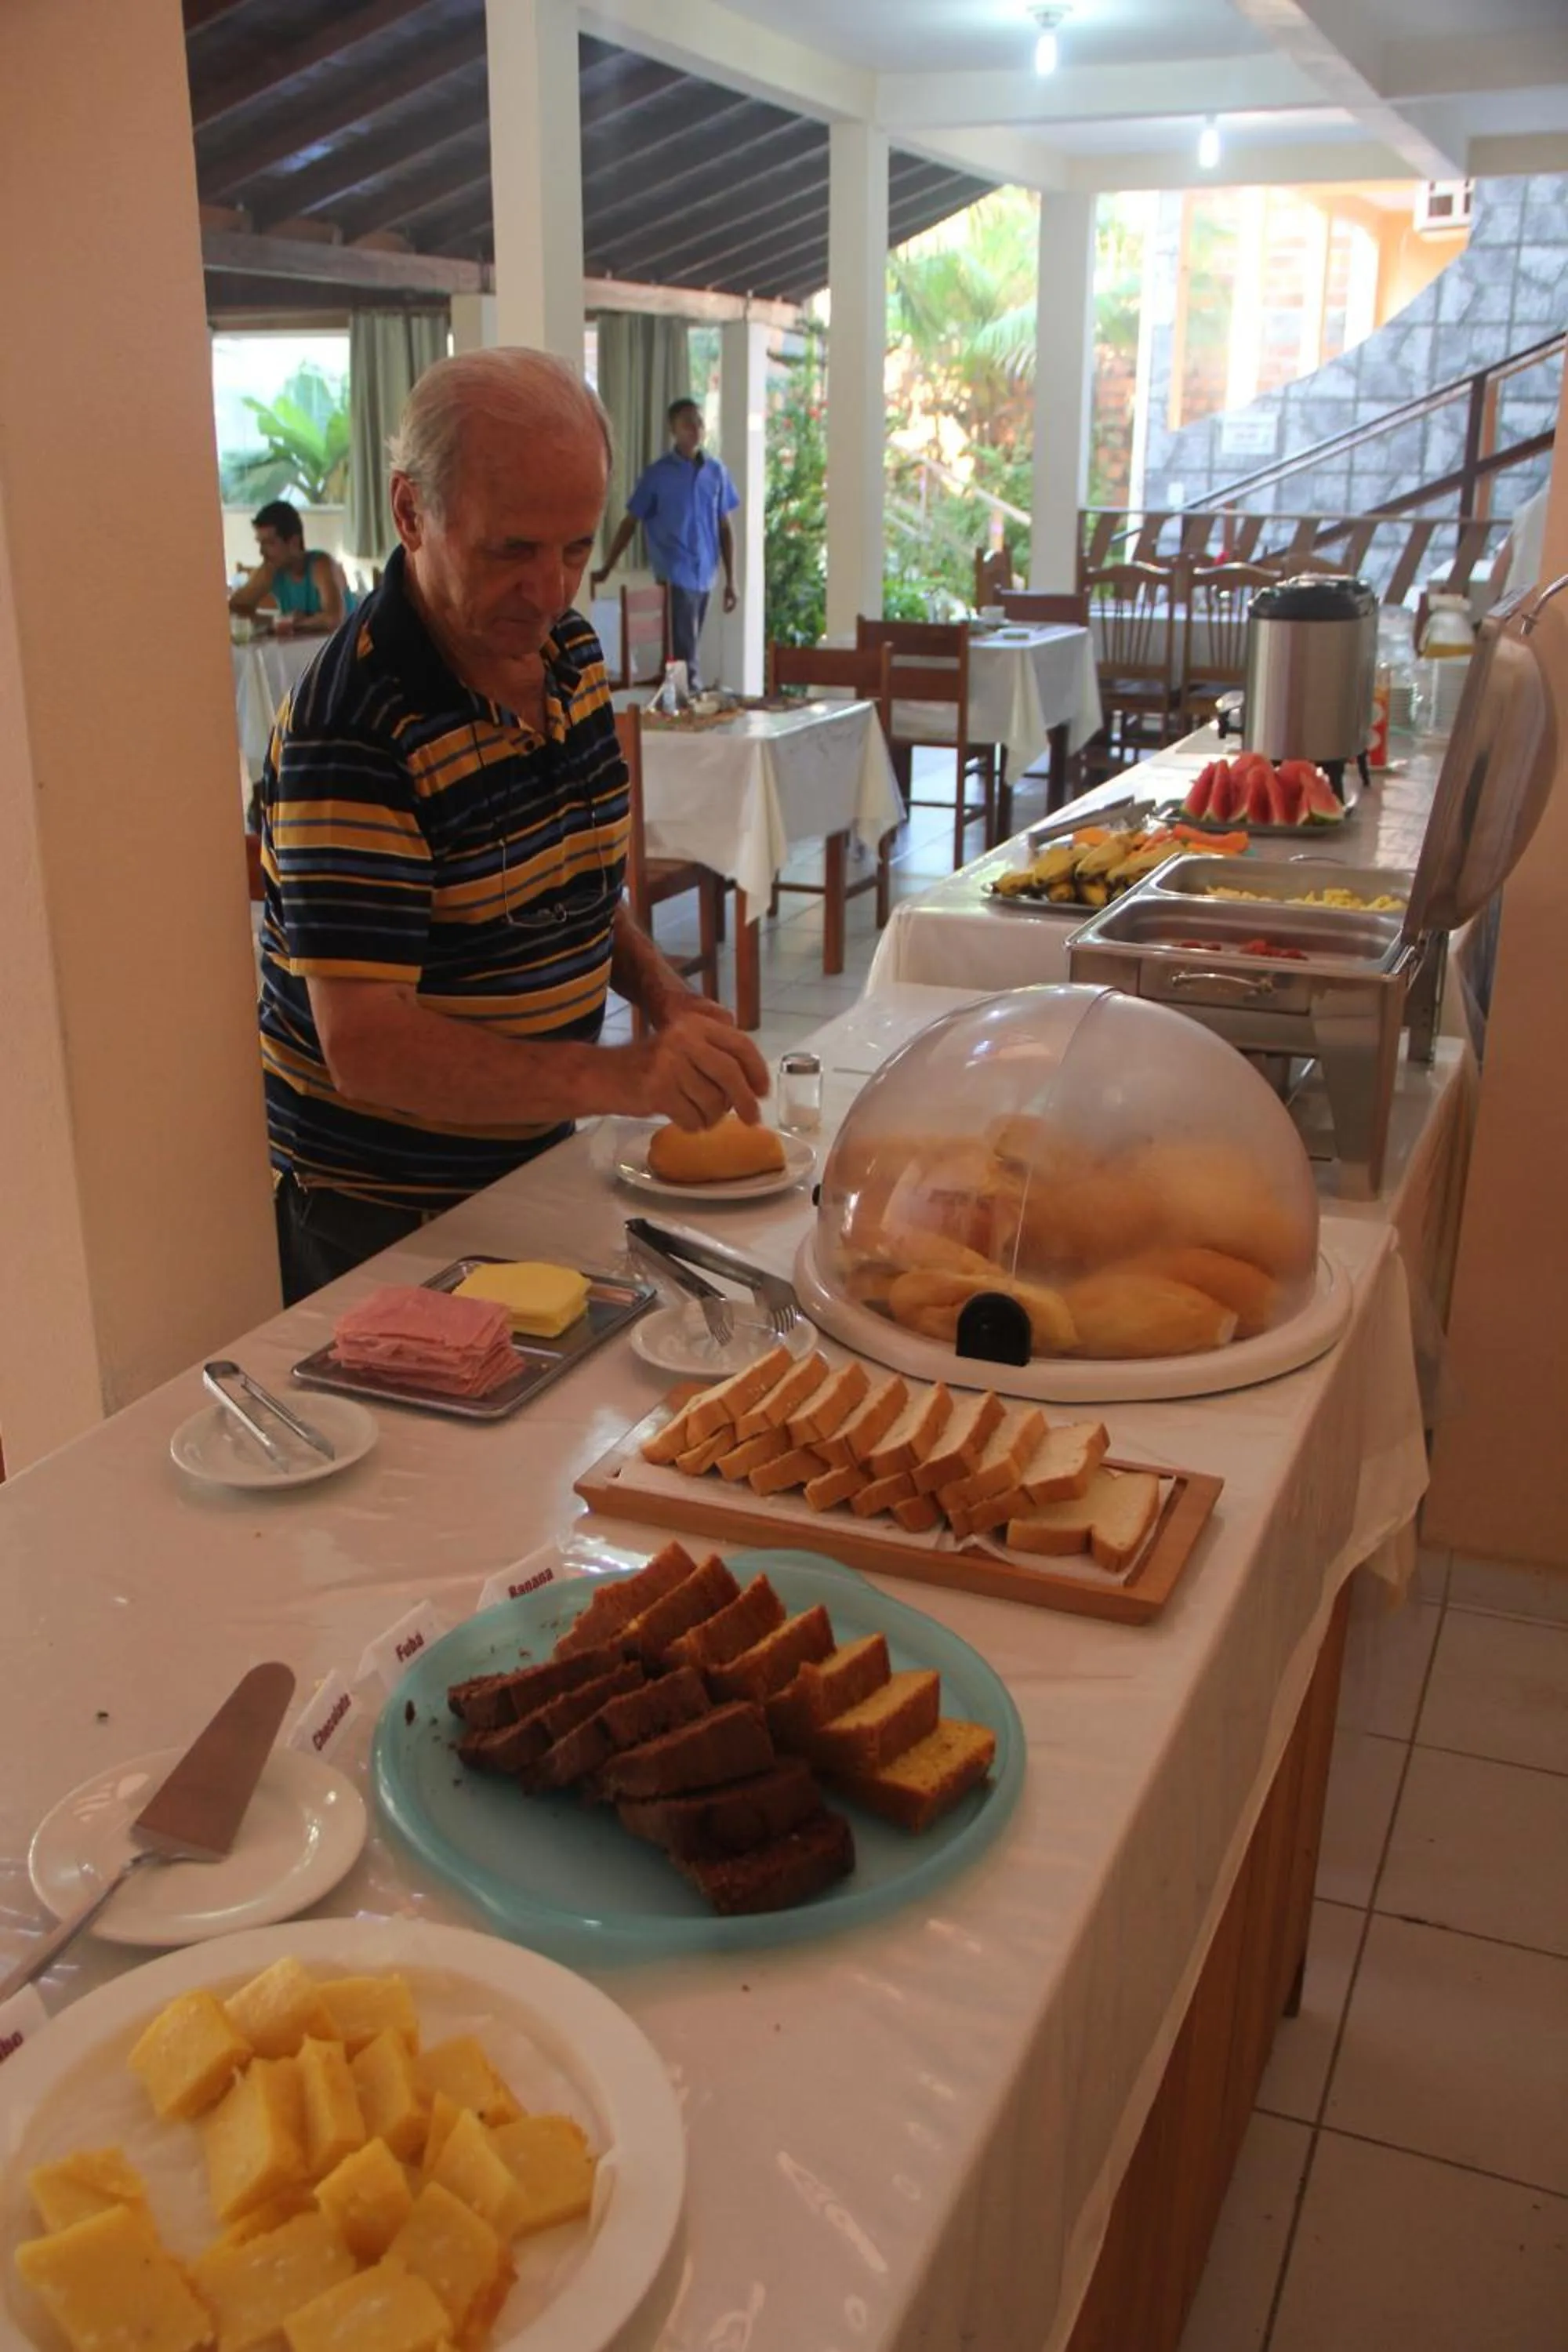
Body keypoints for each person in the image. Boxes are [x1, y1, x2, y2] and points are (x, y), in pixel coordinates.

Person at [257, 349, 768, 1305]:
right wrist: (622, 1078)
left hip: (527, 1166)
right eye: (512, 551)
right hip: (386, 1217)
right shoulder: (358, 724)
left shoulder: (565, 654)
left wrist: (663, 996)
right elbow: (364, 1046)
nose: (552, 587)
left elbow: (572, 894)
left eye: (575, 548)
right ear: (411, 513)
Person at [590, 397, 738, 688]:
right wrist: (607, 566)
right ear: (674, 429)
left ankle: (674, 698)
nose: (694, 429)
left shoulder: (715, 472)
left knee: (681, 647)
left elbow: (724, 526)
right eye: (687, 424)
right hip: (674, 572)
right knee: (684, 652)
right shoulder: (658, 475)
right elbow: (630, 522)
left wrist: (732, 580)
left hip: (705, 572)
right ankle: (690, 702)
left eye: (698, 423)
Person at [230, 499, 349, 635]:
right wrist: (279, 620)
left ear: (294, 542)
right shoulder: (270, 570)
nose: (262, 552)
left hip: (348, 647)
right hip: (304, 649)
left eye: (270, 543)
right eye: (260, 543)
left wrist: (288, 623)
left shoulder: (321, 564)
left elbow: (333, 619)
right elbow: (234, 609)